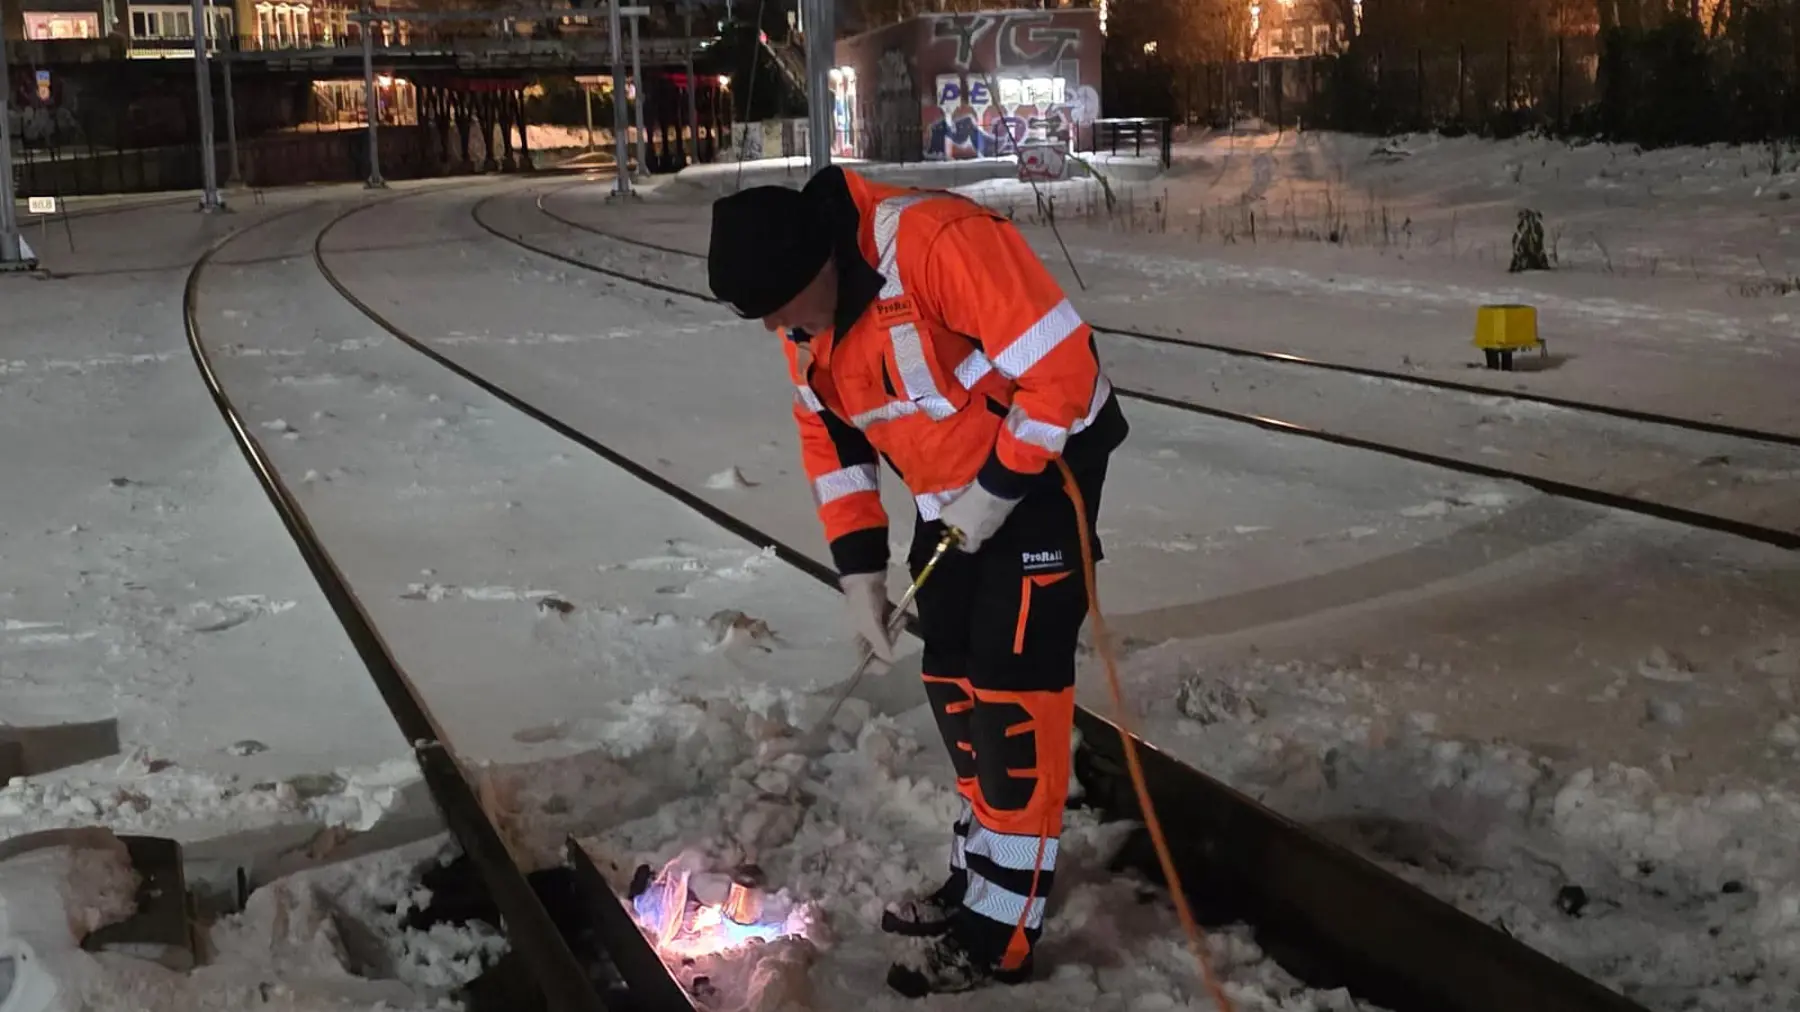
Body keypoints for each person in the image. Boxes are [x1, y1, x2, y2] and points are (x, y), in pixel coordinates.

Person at [706, 166, 1127, 997]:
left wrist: (999, 491)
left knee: (1012, 701)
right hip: (953, 492)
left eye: (785, 308)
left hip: (1047, 471)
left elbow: (1063, 370)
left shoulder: (934, 244)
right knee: (953, 681)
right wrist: (859, 573)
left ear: (822, 263)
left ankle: (999, 934)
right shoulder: (800, 329)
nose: (780, 329)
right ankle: (981, 880)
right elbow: (832, 446)